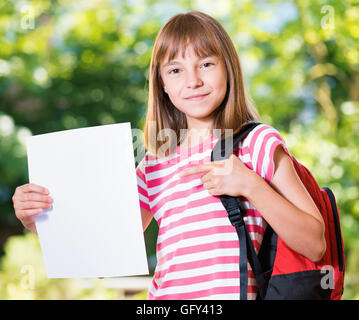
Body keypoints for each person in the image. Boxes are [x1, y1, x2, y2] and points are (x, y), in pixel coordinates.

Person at [12, 11, 326, 300]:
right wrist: (36, 220)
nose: (193, 81)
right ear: (162, 83)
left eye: (206, 64)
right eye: (175, 70)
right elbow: (101, 259)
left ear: (228, 68)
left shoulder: (256, 143)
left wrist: (251, 185)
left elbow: (315, 244)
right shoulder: (154, 164)